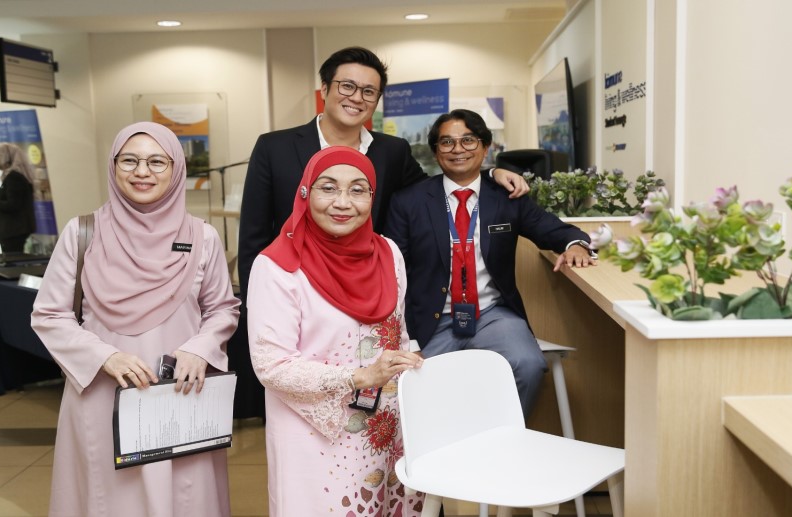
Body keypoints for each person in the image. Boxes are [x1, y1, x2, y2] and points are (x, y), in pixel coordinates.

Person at [31, 122, 240, 517]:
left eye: (157, 162)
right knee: (111, 501)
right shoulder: (82, 233)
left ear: (176, 168)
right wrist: (104, 356)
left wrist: (200, 349)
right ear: (113, 166)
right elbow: (50, 314)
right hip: (103, 394)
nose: (142, 171)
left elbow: (222, 308)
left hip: (179, 396)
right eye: (129, 160)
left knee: (183, 497)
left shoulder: (203, 237)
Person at [237, 46, 530, 299]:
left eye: (369, 92)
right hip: (293, 287)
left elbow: (433, 191)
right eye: (347, 86)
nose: (357, 98)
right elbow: (253, 236)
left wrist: (489, 174)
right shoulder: (274, 147)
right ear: (324, 89)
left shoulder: (392, 150)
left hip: (365, 289)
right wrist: (256, 302)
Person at [247, 146, 425, 516]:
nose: (343, 202)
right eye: (328, 188)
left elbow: (399, 333)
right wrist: (359, 377)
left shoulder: (389, 253)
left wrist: (409, 361)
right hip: (315, 436)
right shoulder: (277, 267)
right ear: (305, 193)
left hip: (386, 426)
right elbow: (271, 366)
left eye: (358, 190)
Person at [384, 109, 597, 416]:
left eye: (468, 140)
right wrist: (409, 339)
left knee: (527, 364)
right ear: (436, 151)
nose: (458, 149)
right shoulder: (408, 201)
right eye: (447, 142)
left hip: (491, 314)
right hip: (430, 320)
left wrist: (575, 244)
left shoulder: (506, 196)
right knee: (407, 385)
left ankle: (501, 438)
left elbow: (552, 229)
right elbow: (392, 272)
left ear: (485, 148)